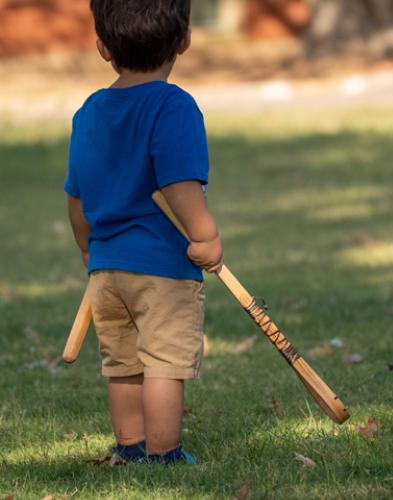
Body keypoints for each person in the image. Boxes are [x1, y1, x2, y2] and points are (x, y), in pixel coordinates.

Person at [64, 0, 222, 465]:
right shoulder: (173, 105)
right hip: (162, 268)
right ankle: (163, 452)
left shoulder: (90, 112)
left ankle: (129, 447)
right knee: (163, 366)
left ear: (102, 47)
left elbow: (76, 198)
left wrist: (89, 252)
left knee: (124, 365)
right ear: (185, 40)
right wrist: (205, 235)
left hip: (107, 269)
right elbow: (178, 182)